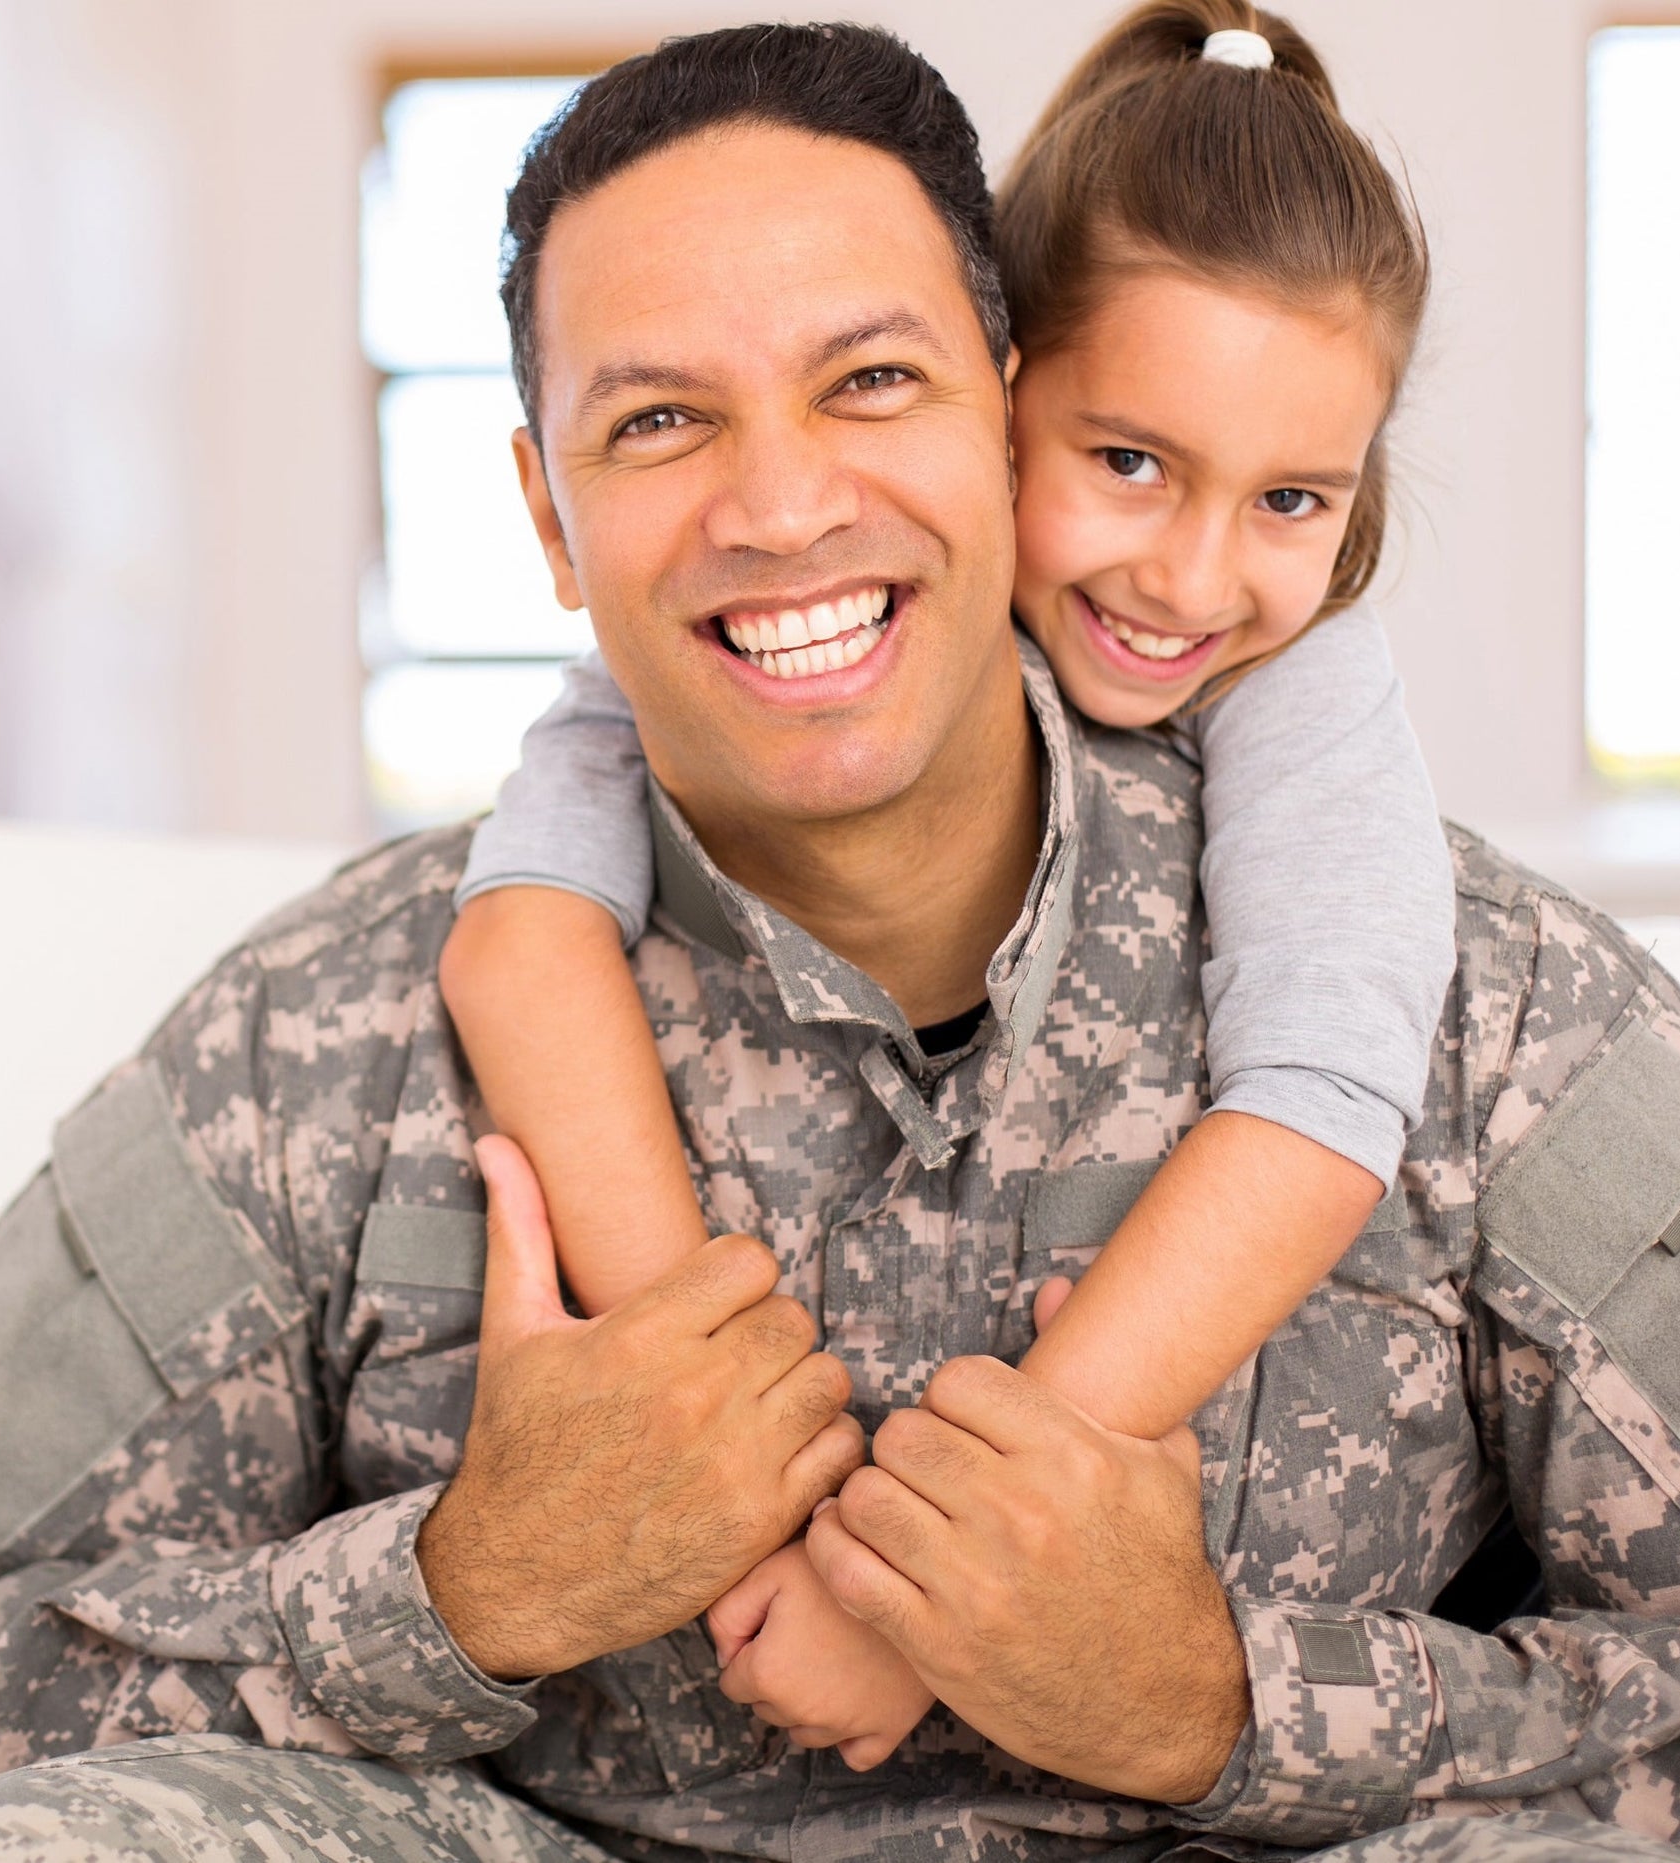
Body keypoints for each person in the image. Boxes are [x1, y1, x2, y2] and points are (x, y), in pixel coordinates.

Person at [0, 17, 1680, 1863]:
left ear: (1004, 415)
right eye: (656, 422)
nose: (784, 497)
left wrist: (1225, 1704)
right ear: (547, 515)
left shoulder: (1469, 1004)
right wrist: (461, 1587)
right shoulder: (326, 1028)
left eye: (867, 378)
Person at [439, 0, 1454, 1769]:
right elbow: (518, 946)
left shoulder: (1306, 689)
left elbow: (1324, 1088)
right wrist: (729, 1482)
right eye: (1126, 461)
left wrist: (919, 1585)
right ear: (1017, 413)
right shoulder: (711, 655)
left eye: (1296, 500)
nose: (1193, 576)